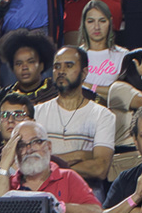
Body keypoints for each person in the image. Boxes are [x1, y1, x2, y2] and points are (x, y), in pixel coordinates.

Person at [0, 116, 103, 213]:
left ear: (49, 146)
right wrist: (4, 163)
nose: (29, 149)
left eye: (36, 142)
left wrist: (58, 208)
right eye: (21, 145)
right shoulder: (8, 183)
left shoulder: (67, 177)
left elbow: (96, 210)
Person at [34, 45, 114, 191]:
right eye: (57, 66)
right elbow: (31, 162)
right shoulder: (37, 113)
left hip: (85, 194)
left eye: (69, 66)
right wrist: (80, 155)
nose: (61, 71)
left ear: (84, 73)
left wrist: (49, 165)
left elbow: (99, 168)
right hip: (45, 193)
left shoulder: (102, 115)